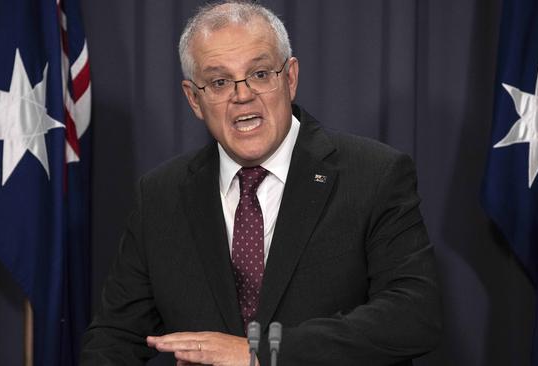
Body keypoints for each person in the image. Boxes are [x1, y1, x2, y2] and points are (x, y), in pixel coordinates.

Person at [80, 1, 441, 365]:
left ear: (290, 78)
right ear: (194, 99)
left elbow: (412, 315)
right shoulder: (160, 196)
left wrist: (260, 353)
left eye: (260, 74)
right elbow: (114, 337)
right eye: (220, 82)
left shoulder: (373, 175)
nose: (242, 95)